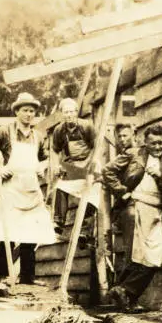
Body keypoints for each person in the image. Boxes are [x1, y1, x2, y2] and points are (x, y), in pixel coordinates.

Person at [101, 123, 162, 311]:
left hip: (159, 211)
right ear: (145, 142)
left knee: (158, 254)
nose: (158, 147)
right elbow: (107, 171)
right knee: (136, 255)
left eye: (161, 143)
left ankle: (123, 290)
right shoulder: (134, 154)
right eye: (153, 143)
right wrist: (122, 192)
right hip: (135, 207)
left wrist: (161, 175)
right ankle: (129, 298)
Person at [0, 92, 56, 285]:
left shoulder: (38, 137)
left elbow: (44, 160)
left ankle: (27, 277)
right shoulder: (4, 132)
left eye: (32, 111)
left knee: (31, 234)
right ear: (17, 111)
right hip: (11, 189)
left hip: (31, 189)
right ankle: (3, 274)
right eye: (25, 110)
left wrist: (43, 168)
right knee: (6, 233)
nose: (29, 114)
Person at [50, 97, 97, 235]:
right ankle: (59, 221)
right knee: (60, 186)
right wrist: (56, 165)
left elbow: (95, 147)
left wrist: (89, 164)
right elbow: (54, 150)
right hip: (72, 164)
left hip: (89, 161)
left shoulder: (86, 126)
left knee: (92, 192)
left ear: (76, 112)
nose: (69, 115)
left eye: (71, 112)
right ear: (62, 114)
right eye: (66, 112)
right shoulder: (59, 130)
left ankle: (85, 230)